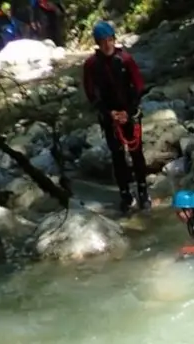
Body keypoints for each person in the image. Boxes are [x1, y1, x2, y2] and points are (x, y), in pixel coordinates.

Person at [82, 20, 150, 213]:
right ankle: (125, 194)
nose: (107, 44)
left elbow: (138, 86)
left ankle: (143, 191)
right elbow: (91, 94)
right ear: (97, 42)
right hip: (109, 116)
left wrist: (128, 112)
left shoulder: (125, 59)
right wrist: (108, 113)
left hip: (129, 112)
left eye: (110, 39)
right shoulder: (91, 65)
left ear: (114, 40)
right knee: (118, 156)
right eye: (103, 41)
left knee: (137, 153)